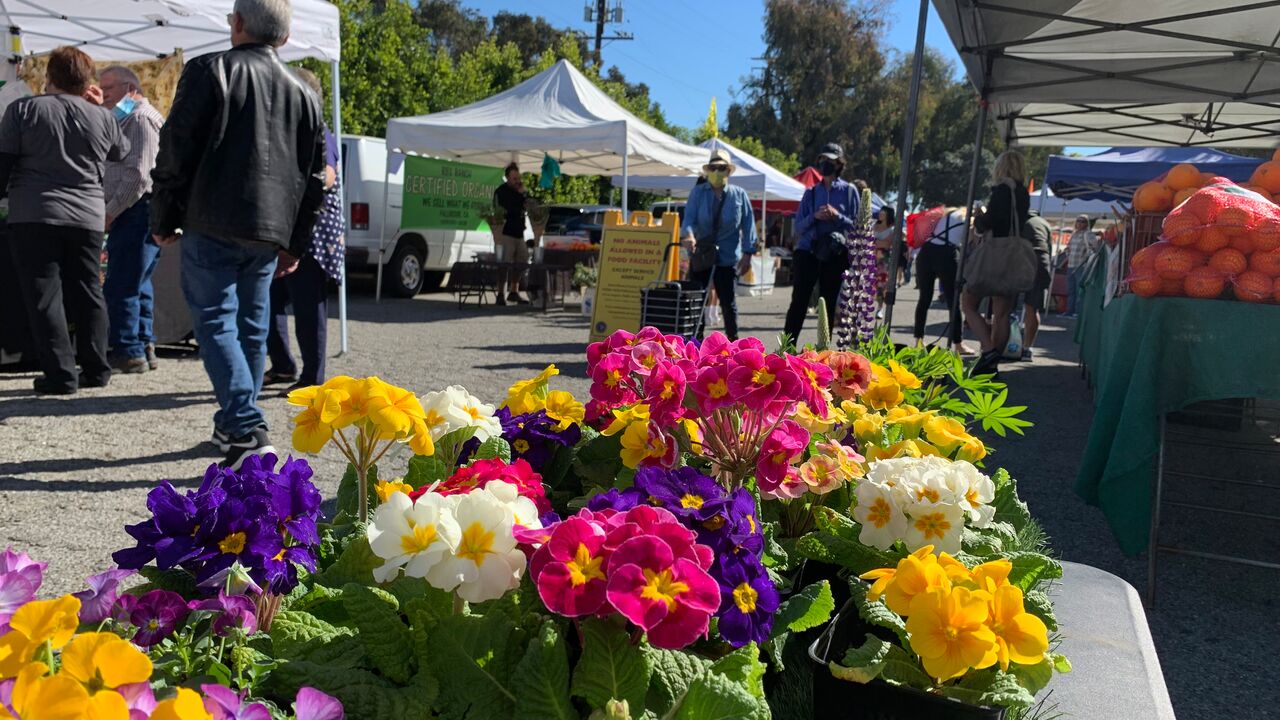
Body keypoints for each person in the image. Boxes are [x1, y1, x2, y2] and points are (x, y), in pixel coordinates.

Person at [151, 0, 327, 470]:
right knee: (249, 326)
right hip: (270, 231)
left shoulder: (209, 70)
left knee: (217, 322)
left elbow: (175, 148)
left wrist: (163, 216)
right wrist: (294, 240)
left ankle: (246, 424)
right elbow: (315, 177)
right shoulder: (305, 92)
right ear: (285, 38)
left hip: (213, 219)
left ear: (238, 23)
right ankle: (234, 427)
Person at [0, 46, 128, 395]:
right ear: (87, 81)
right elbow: (122, 151)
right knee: (89, 291)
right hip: (87, 215)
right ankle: (97, 368)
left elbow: (4, 162)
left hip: (35, 213)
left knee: (45, 296)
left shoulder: (23, 110)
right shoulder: (101, 116)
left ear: (49, 76)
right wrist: (103, 108)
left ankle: (60, 375)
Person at [265, 67, 344, 392]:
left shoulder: (319, 132)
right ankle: (283, 365)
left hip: (313, 236)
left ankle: (312, 378)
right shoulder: (289, 130)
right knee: (270, 302)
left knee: (308, 308)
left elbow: (326, 176)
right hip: (287, 232)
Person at [100, 65, 165, 375]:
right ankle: (143, 343)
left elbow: (139, 176)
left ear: (129, 89)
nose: (103, 95)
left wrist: (111, 211)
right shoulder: (124, 116)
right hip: (134, 210)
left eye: (108, 89)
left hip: (136, 210)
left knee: (122, 283)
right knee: (137, 282)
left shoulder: (139, 119)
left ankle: (128, 350)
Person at [963, 150, 1031, 376]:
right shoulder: (1023, 193)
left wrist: (979, 216)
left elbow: (989, 223)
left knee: (969, 304)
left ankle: (989, 350)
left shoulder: (1002, 190)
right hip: (1013, 256)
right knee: (1002, 311)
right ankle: (991, 363)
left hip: (995, 253)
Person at [784, 143, 858, 347]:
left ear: (839, 164)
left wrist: (838, 216)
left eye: (831, 161)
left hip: (835, 254)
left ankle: (823, 350)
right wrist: (815, 217)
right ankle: (787, 349)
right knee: (799, 301)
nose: (825, 164)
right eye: (822, 160)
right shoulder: (810, 193)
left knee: (829, 303)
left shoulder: (850, 191)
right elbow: (798, 227)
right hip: (808, 252)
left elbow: (858, 227)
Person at [681, 148, 757, 341]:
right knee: (697, 301)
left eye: (721, 168)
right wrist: (689, 236)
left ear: (728, 171)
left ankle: (733, 343)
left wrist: (748, 254)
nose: (717, 172)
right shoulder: (698, 193)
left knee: (728, 303)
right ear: (708, 171)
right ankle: (694, 343)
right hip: (702, 254)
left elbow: (748, 225)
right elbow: (688, 220)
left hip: (727, 257)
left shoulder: (739, 195)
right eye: (713, 168)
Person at [913, 207, 973, 355]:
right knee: (953, 302)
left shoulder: (943, 215)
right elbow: (970, 241)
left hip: (926, 253)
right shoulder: (967, 220)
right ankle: (958, 343)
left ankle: (919, 340)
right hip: (946, 255)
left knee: (924, 299)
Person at [493, 162, 530, 305]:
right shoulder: (501, 192)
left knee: (523, 260)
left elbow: (528, 205)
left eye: (518, 178)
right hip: (506, 232)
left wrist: (524, 194)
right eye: (514, 179)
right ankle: (500, 294)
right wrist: (520, 197)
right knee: (504, 263)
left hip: (519, 232)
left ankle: (514, 291)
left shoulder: (520, 191)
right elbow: (508, 210)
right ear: (507, 178)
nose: (517, 181)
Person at [1019, 210, 1054, 361]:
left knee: (1005, 307)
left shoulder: (1022, 222)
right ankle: (1028, 348)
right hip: (1043, 263)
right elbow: (1050, 249)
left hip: (1026, 261)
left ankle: (1005, 347)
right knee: (1033, 308)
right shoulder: (1045, 224)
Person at [1064, 214, 1098, 317]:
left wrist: (1087, 256)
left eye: (1082, 221)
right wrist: (1067, 252)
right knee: (1071, 290)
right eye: (1078, 221)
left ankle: (1079, 312)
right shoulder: (1074, 234)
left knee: (1079, 290)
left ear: (1086, 223)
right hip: (1070, 265)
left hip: (1081, 266)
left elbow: (1096, 248)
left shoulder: (1088, 234)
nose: (1079, 223)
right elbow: (1068, 247)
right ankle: (1070, 311)